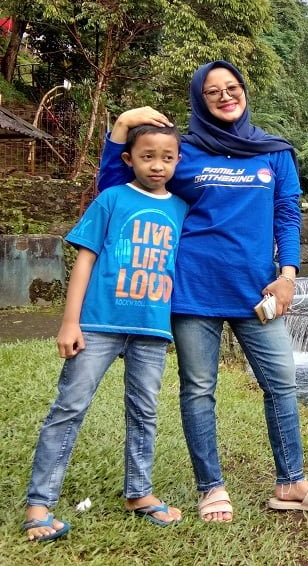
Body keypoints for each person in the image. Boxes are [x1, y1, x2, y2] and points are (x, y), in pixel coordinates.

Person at [99, 60, 308, 523]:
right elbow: (117, 190)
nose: (226, 96)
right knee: (199, 390)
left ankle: (291, 481)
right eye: (213, 92)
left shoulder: (274, 152)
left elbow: (288, 215)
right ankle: (211, 488)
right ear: (199, 100)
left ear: (244, 91)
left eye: (232, 88)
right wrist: (122, 128)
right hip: (193, 290)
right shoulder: (183, 151)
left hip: (257, 292)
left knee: (282, 384)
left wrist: (288, 275)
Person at [24, 125, 188, 542]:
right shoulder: (112, 199)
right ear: (128, 159)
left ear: (178, 162)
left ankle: (139, 493)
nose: (157, 164)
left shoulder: (181, 208)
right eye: (147, 155)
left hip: (151, 330)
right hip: (98, 324)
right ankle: (39, 504)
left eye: (167, 157)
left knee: (145, 412)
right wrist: (69, 321)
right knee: (70, 406)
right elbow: (85, 260)